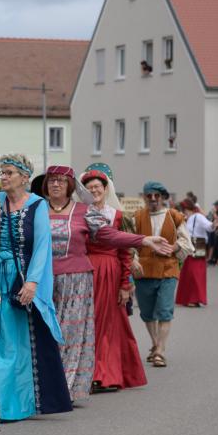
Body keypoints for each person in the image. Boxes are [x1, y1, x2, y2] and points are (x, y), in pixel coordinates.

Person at [43, 166, 168, 402]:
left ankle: (76, 382)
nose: (56, 184)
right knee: (51, 331)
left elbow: (114, 240)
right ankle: (53, 382)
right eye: (52, 181)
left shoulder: (90, 213)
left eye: (61, 180)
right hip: (47, 279)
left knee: (81, 329)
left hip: (86, 277)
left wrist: (143, 242)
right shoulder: (38, 209)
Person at [0, 154, 71, 420]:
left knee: (17, 340)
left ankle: (15, 404)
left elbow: (42, 246)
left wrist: (33, 282)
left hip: (20, 278)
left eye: (9, 172)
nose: (3, 177)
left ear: (24, 177)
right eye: (2, 172)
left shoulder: (37, 205)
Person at [80, 165, 147, 393]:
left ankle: (105, 374)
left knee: (109, 323)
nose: (94, 190)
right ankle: (89, 372)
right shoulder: (80, 214)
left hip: (110, 273)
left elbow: (125, 252)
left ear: (106, 188)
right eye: (90, 188)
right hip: (87, 272)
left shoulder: (116, 216)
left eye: (97, 187)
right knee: (89, 322)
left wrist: (125, 285)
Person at [132, 182, 190, 367]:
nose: (153, 199)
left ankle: (160, 351)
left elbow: (186, 241)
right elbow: (130, 243)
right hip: (144, 270)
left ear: (163, 197)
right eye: (149, 195)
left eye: (156, 195)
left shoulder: (174, 216)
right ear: (144, 197)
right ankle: (155, 344)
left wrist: (175, 247)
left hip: (168, 269)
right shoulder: (137, 217)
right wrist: (133, 260)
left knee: (165, 311)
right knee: (147, 312)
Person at [176, 199, 212, 307]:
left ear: (187, 208)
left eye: (184, 209)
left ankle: (194, 299)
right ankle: (187, 299)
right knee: (188, 273)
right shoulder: (189, 218)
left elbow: (209, 226)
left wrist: (214, 224)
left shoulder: (198, 216)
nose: (183, 211)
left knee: (195, 273)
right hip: (190, 247)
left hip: (197, 247)